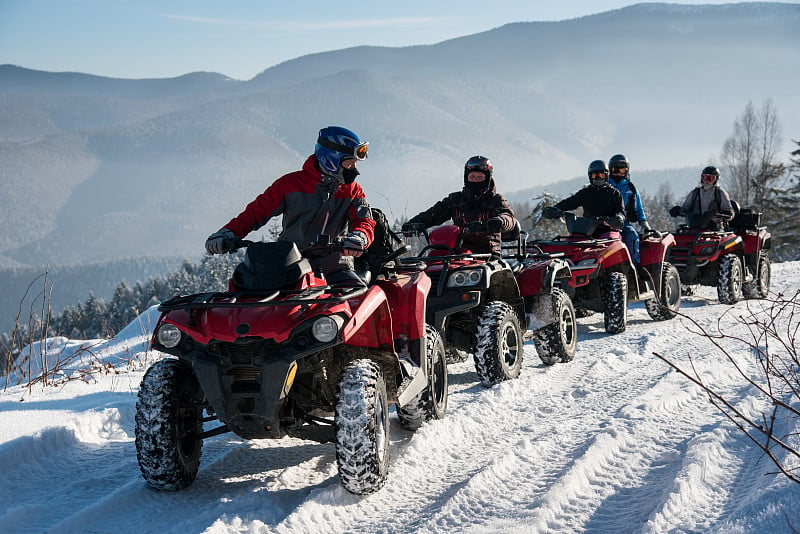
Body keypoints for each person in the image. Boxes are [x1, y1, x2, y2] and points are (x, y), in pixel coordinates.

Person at [205, 126, 376, 287]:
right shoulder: (290, 184)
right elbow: (255, 213)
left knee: (356, 302)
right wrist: (227, 233)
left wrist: (359, 238)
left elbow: (365, 221)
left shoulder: (353, 191)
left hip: (336, 267)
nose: (355, 170)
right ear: (331, 159)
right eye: (349, 163)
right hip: (290, 267)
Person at [401, 155, 517, 255]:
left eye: (480, 177)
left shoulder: (496, 200)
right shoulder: (456, 200)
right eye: (472, 177)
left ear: (487, 179)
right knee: (433, 270)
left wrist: (499, 221)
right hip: (458, 256)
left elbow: (509, 218)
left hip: (487, 256)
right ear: (466, 178)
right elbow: (434, 214)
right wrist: (414, 224)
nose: (475, 181)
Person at [542, 160, 625, 238]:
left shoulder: (614, 193)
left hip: (608, 232)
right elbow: (570, 202)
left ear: (607, 176)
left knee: (609, 247)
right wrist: (555, 209)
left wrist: (618, 218)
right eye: (595, 176)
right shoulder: (586, 193)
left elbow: (620, 211)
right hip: (587, 231)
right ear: (590, 177)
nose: (598, 178)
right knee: (573, 242)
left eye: (601, 175)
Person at [607, 154, 651, 264]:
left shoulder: (630, 188)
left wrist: (644, 223)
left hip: (623, 223)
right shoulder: (605, 185)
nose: (618, 173)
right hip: (604, 220)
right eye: (615, 170)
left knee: (632, 235)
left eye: (621, 170)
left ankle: (633, 265)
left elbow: (638, 208)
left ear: (626, 171)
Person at [669, 166, 734, 230]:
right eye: (704, 177)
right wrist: (678, 211)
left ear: (716, 179)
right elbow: (685, 209)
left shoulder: (720, 193)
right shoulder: (695, 193)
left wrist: (716, 214)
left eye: (710, 178)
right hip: (695, 228)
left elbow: (730, 214)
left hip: (715, 229)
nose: (706, 181)